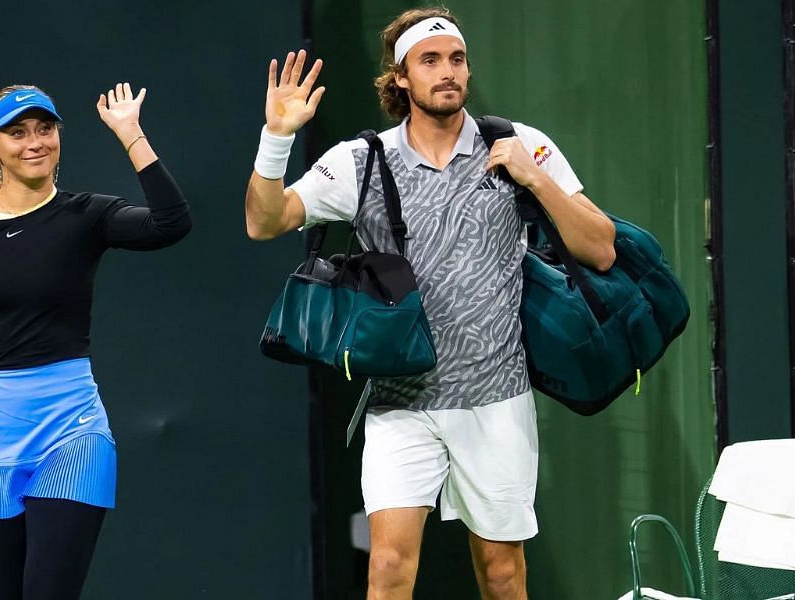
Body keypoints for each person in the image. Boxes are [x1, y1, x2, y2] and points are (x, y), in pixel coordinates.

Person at [245, 8, 615, 600]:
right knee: (388, 569)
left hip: (496, 399)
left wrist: (535, 180)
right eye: (430, 60)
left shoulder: (522, 147)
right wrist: (276, 138)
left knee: (501, 575)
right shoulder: (360, 161)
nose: (448, 72)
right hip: (401, 404)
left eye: (457, 59)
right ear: (400, 78)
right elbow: (264, 222)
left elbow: (599, 248)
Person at [0, 83, 190, 599]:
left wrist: (131, 135)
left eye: (45, 129)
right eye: (16, 133)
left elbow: (171, 223)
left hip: (71, 433)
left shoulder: (86, 214)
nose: (34, 142)